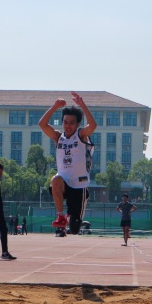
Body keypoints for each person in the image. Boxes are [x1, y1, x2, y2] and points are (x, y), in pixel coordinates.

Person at [39, 91, 97, 234]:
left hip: (79, 185)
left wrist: (82, 104)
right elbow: (42, 124)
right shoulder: (58, 137)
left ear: (78, 124)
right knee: (55, 179)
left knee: (75, 229)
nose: (68, 126)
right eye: (65, 122)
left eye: (71, 123)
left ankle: (73, 218)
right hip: (64, 183)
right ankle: (60, 216)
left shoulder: (81, 135)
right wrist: (55, 106)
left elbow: (93, 126)